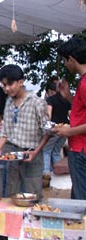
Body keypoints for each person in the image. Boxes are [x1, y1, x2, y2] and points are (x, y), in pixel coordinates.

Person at [0, 64, 50, 200]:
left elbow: (47, 132)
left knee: (33, 195)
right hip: (11, 155)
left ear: (21, 82)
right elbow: (5, 133)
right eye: (3, 85)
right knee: (11, 194)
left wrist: (35, 152)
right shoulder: (9, 103)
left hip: (32, 154)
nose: (7, 88)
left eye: (10, 84)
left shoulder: (37, 102)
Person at [53, 36, 86, 200]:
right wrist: (69, 97)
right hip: (79, 147)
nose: (65, 65)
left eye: (65, 61)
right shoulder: (83, 81)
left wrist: (69, 131)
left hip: (81, 149)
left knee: (81, 199)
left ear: (72, 59)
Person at [42, 80, 71, 184]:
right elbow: (70, 115)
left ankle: (45, 174)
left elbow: (48, 116)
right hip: (65, 128)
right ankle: (57, 175)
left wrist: (44, 126)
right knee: (56, 151)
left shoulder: (50, 100)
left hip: (54, 128)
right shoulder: (66, 100)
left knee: (46, 150)